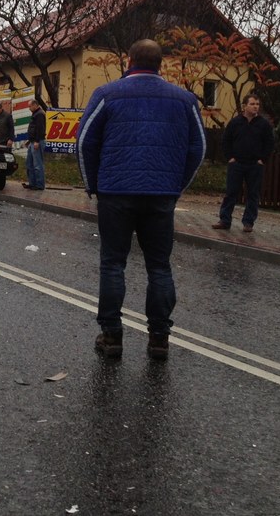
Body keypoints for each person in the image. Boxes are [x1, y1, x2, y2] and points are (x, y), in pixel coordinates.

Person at [76, 39, 205, 361]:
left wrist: (94, 184)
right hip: (161, 195)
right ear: (161, 63)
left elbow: (84, 143)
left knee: (113, 263)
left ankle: (112, 335)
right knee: (159, 267)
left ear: (128, 60)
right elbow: (198, 148)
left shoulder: (107, 95)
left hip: (116, 193)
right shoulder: (185, 100)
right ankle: (159, 339)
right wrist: (177, 186)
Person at [212, 93, 275, 233]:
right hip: (237, 164)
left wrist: (262, 159)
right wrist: (230, 157)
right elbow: (226, 140)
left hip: (254, 165)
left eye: (257, 104)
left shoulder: (263, 125)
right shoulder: (235, 122)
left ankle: (248, 222)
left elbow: (269, 143)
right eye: (252, 104)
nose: (255, 107)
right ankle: (225, 220)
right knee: (231, 192)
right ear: (245, 106)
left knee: (253, 194)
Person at [23, 99, 46, 190]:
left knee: (37, 164)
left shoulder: (39, 114)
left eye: (30, 106)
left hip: (37, 142)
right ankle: (32, 183)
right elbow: (33, 129)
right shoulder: (35, 114)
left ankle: (39, 185)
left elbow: (40, 129)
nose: (29, 108)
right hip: (33, 142)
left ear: (35, 105)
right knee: (29, 163)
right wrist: (29, 140)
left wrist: (36, 141)